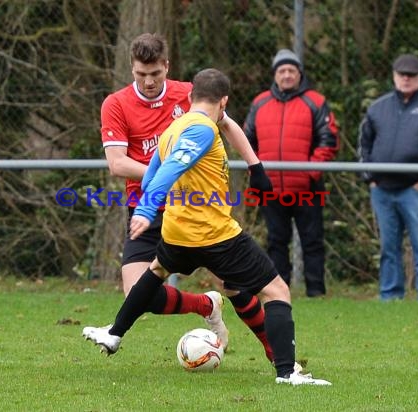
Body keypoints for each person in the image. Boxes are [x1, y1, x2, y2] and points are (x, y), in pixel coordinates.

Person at [82, 68, 331, 385]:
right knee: (276, 290)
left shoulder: (174, 128)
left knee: (157, 270)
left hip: (176, 231)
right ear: (224, 101)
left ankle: (115, 333)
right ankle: (287, 373)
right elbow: (172, 167)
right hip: (214, 235)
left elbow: (154, 169)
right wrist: (144, 210)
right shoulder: (202, 130)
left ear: (189, 97)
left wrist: (256, 167)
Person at [94, 32, 278, 361]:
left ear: (167, 66)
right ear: (131, 69)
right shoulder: (116, 104)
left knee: (236, 285)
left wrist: (255, 165)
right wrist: (170, 169)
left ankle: (276, 354)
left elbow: (227, 124)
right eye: (141, 74)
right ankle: (205, 305)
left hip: (196, 211)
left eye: (155, 74)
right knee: (138, 293)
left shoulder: (188, 96)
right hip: (145, 208)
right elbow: (117, 163)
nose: (149, 81)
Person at [358, 54, 418, 301]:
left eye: (411, 75)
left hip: (415, 190)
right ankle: (390, 295)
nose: (406, 79)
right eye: (402, 74)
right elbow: (363, 144)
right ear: (393, 76)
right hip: (381, 189)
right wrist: (370, 177)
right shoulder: (377, 108)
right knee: (388, 247)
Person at [243, 49, 339, 297]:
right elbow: (246, 140)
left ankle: (316, 291)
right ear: (275, 75)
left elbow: (328, 140)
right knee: (276, 241)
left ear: (299, 74)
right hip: (271, 188)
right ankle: (279, 291)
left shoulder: (315, 101)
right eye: (282, 71)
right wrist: (258, 172)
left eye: (291, 71)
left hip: (307, 188)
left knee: (313, 241)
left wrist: (310, 172)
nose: (286, 75)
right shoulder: (260, 102)